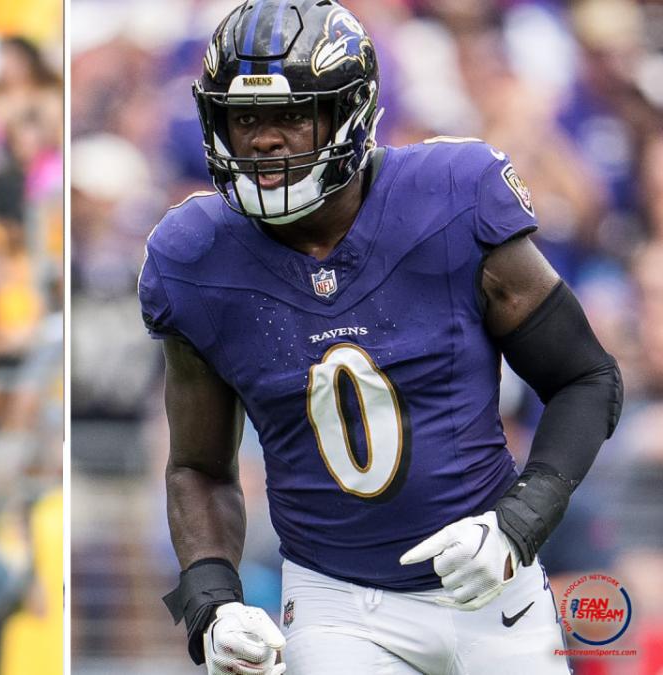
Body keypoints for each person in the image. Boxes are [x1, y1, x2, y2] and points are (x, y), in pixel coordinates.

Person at [137, 2, 623, 674]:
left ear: (350, 111)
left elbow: (588, 377)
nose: (263, 141)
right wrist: (211, 603)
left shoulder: (451, 196)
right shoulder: (194, 256)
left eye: (290, 114)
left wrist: (518, 521)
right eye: (244, 118)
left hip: (490, 582)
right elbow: (197, 465)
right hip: (336, 603)